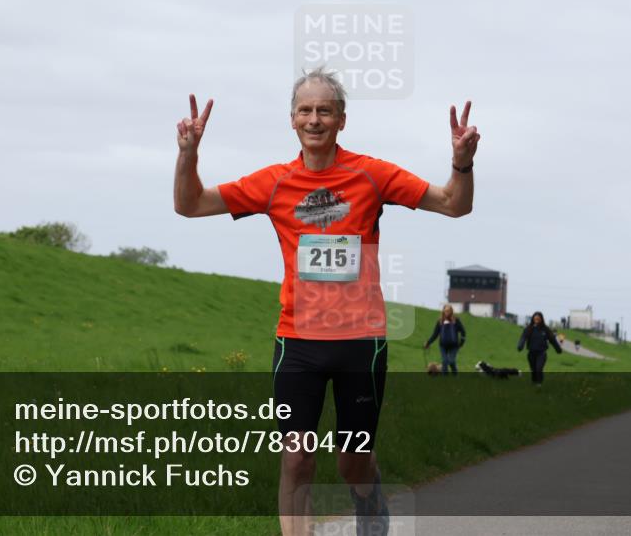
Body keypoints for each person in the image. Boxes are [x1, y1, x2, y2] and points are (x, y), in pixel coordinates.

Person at [173, 67, 479, 536]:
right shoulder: (275, 182)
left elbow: (454, 205)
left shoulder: (371, 175)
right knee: (296, 457)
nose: (314, 119)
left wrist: (461, 163)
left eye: (325, 111)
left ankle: (370, 509)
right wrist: (188, 155)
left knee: (353, 462)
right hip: (297, 342)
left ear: (341, 120)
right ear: (292, 120)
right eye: (305, 110)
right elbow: (190, 204)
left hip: (361, 342)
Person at [517, 312, 563, 386]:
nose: (537, 320)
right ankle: (534, 382)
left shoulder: (545, 329)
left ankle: (539, 384)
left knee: (539, 369)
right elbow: (523, 338)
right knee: (533, 370)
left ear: (541, 319)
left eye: (538, 319)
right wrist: (520, 346)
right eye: (535, 319)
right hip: (531, 353)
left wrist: (558, 349)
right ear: (533, 319)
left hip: (541, 353)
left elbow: (552, 339)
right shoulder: (529, 329)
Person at [424, 305, 466, 376]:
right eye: (446, 311)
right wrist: (428, 342)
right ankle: (445, 378)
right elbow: (435, 334)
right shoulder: (440, 321)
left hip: (454, 345)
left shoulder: (456, 321)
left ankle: (455, 375)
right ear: (443, 311)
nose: (447, 313)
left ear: (451, 311)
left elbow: (463, 331)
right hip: (443, 345)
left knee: (452, 361)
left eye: (448, 311)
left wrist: (461, 343)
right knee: (444, 361)